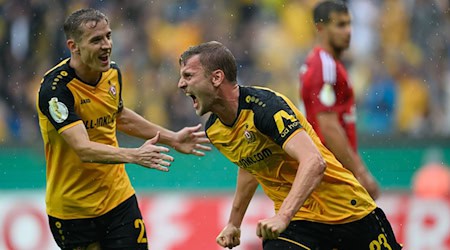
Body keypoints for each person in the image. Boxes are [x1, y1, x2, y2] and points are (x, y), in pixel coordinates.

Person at [178, 41, 401, 249]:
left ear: (216, 78)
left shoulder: (266, 108)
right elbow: (250, 164)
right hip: (297, 224)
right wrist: (234, 222)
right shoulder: (215, 130)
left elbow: (314, 162)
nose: (181, 84)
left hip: (348, 213)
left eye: (188, 75)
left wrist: (282, 215)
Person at [36, 8, 210, 250]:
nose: (106, 45)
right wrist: (134, 155)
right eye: (96, 40)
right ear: (73, 46)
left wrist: (172, 138)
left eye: (108, 36)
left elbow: (118, 115)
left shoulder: (112, 73)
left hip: (118, 200)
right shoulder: (55, 90)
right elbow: (83, 148)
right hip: (74, 212)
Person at [299, 0, 380, 200]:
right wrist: (360, 173)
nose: (348, 31)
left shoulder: (322, 63)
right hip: (331, 173)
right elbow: (328, 126)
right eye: (340, 25)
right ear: (320, 28)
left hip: (327, 170)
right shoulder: (324, 66)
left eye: (349, 24)